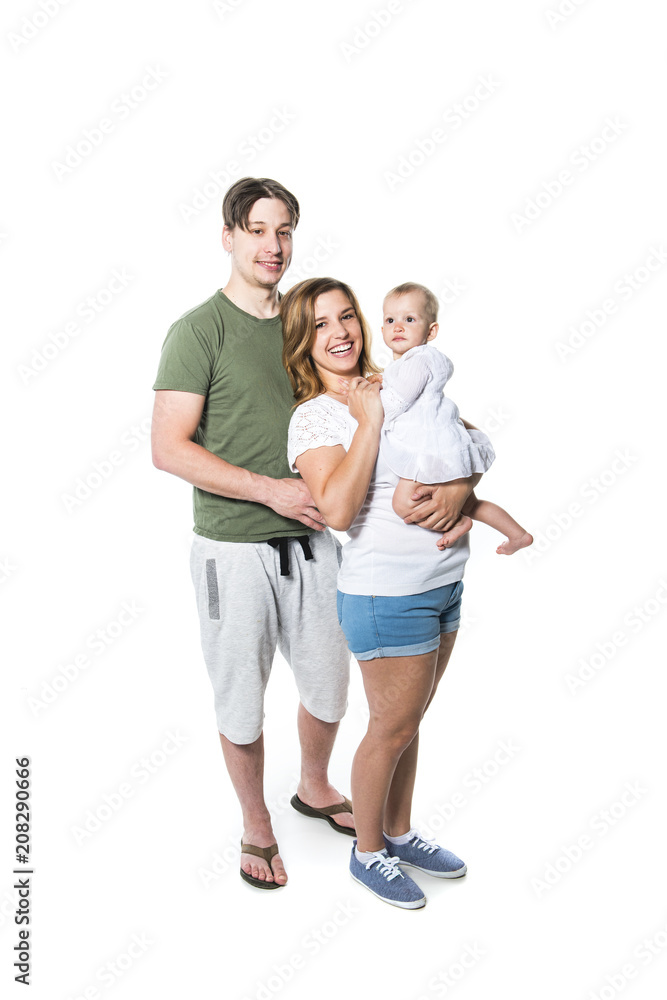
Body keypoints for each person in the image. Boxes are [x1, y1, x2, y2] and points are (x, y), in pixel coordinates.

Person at [151, 178, 355, 892]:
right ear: (230, 236)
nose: (274, 245)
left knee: (329, 688)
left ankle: (315, 786)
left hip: (315, 543)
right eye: (259, 229)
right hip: (232, 549)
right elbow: (168, 448)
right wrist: (270, 489)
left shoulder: (304, 325)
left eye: (285, 230)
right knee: (240, 695)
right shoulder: (197, 330)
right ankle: (256, 824)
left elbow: (356, 403)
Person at [282, 277, 482, 909]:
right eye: (319, 325)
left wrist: (459, 494)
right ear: (301, 343)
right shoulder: (313, 416)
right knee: (390, 728)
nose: (339, 332)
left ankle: (398, 832)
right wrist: (367, 422)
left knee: (408, 721)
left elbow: (469, 441)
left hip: (442, 583)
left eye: (346, 317)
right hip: (384, 594)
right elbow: (338, 510)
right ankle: (368, 851)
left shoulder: (400, 382)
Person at [377, 282, 532, 555]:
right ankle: (517, 535)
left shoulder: (420, 359)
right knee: (471, 502)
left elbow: (396, 402)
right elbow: (401, 386)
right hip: (443, 444)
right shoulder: (409, 362)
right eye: (390, 320)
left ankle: (457, 523)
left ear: (431, 330)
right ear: (382, 329)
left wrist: (368, 399)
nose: (398, 326)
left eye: (409, 319)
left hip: (428, 448)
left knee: (403, 504)